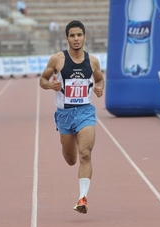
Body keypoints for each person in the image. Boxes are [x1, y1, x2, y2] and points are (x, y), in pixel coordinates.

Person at [39, 20, 105, 214]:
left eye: (79, 35)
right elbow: (42, 80)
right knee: (71, 159)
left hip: (85, 112)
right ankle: (69, 139)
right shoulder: (57, 59)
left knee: (85, 154)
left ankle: (82, 199)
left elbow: (99, 79)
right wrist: (51, 85)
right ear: (67, 38)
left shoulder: (93, 61)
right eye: (72, 35)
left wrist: (100, 88)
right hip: (64, 115)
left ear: (84, 37)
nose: (76, 39)